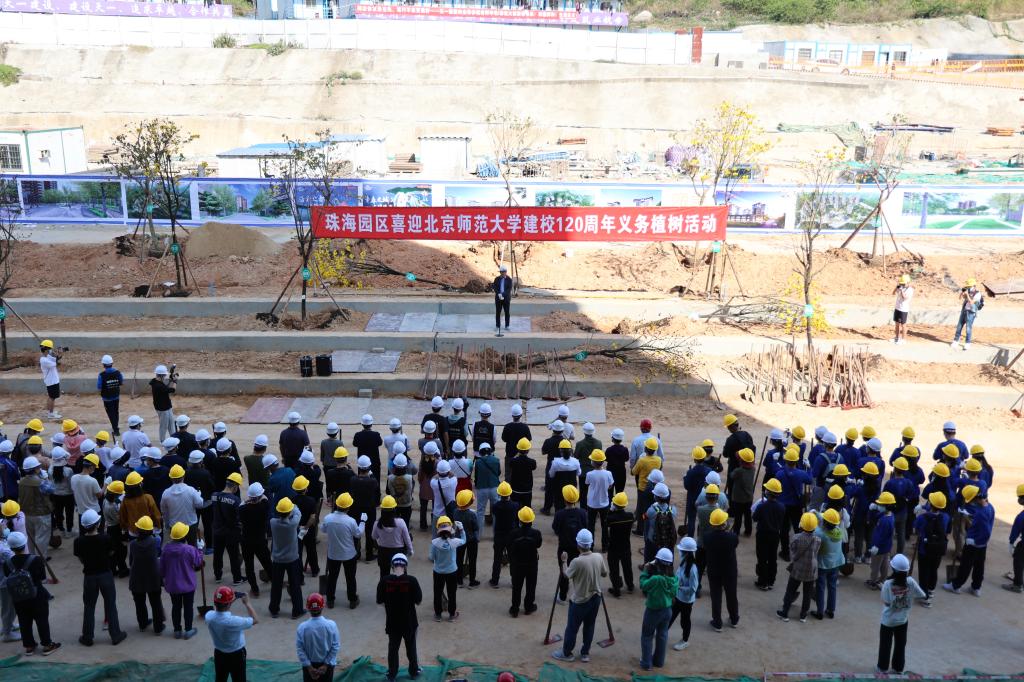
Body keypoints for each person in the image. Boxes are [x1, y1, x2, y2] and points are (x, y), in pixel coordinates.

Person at [73, 508, 128, 647]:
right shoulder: (106, 538)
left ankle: (87, 637)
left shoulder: (79, 541)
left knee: (89, 606)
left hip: (89, 576)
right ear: (97, 524)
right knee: (110, 604)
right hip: (105, 574)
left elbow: (81, 558)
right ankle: (115, 634)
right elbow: (111, 553)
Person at [551, 529, 607, 663]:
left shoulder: (577, 561)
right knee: (589, 626)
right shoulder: (598, 557)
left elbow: (566, 575)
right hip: (596, 598)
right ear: (591, 543)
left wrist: (564, 561)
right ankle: (585, 653)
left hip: (580, 601)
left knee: (572, 628)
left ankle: (566, 653)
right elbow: (604, 574)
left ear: (578, 545)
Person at [2, 531, 60, 655]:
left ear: (11, 547)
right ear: (25, 544)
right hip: (37, 595)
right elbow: (42, 577)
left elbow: (8, 576)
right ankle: (47, 645)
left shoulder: (7, 563)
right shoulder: (36, 560)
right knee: (41, 620)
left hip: (19, 597)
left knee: (24, 621)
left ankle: (29, 646)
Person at [877, 553, 926, 674]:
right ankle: (898, 668)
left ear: (893, 568)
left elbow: (886, 602)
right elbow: (922, 595)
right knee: (900, 645)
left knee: (885, 645)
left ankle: (882, 668)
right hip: (903, 620)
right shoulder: (911, 582)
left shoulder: (887, 584)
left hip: (888, 621)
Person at [377, 552, 421, 682]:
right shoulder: (412, 580)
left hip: (392, 622)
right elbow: (418, 601)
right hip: (409, 622)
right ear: (405, 566)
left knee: (393, 649)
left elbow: (379, 601)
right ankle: (414, 671)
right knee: (411, 647)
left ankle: (392, 674)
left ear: (392, 566)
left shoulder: (384, 581)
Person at [944, 484, 994, 596]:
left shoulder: (981, 513)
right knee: (979, 566)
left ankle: (956, 585)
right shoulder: (989, 507)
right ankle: (976, 587)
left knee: (965, 565)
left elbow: (986, 531)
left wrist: (975, 541)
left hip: (974, 543)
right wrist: (969, 514)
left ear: (976, 499)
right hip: (982, 545)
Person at [159, 522, 204, 638]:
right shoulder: (190, 549)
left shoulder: (166, 549)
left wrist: (163, 579)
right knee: (188, 606)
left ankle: (177, 630)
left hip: (173, 585)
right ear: (185, 536)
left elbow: (162, 568)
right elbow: (198, 562)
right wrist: (200, 549)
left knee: (176, 606)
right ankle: (188, 630)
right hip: (188, 584)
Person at [776, 513, 821, 623]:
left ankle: (785, 613)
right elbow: (816, 553)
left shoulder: (796, 538)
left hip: (797, 569)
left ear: (801, 525)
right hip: (811, 570)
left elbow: (792, 553)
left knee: (790, 591)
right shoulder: (818, 540)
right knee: (807, 594)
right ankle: (803, 615)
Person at [205, 586, 257, 682]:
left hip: (219, 654)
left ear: (215, 602)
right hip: (236, 655)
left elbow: (220, 608)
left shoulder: (209, 616)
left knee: (220, 679)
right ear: (228, 604)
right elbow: (255, 619)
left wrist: (230, 600)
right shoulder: (233, 621)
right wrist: (247, 603)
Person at [639, 547, 678, 671]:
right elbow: (674, 593)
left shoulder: (656, 579)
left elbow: (643, 585)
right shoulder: (674, 579)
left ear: (658, 562)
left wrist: (645, 571)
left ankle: (646, 663)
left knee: (647, 636)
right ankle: (659, 661)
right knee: (662, 635)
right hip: (667, 610)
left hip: (653, 611)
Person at [703, 508, 739, 632]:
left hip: (714, 570)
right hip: (730, 570)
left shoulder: (707, 537)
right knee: (731, 594)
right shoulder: (732, 537)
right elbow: (734, 544)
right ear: (724, 523)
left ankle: (717, 622)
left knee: (716, 595)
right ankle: (734, 619)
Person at [128, 515, 165, 634]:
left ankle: (142, 624)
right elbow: (159, 554)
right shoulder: (156, 541)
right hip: (153, 577)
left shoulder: (133, 544)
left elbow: (131, 562)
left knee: (139, 603)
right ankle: (158, 627)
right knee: (156, 602)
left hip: (136, 577)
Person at [270, 497, 304, 619]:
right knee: (295, 585)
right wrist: (293, 505)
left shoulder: (273, 522)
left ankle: (274, 609)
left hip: (277, 559)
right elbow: (298, 513)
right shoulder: (293, 524)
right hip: (292, 559)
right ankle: (297, 610)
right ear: (289, 512)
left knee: (276, 585)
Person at [553, 485, 588, 603]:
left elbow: (555, 529)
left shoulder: (559, 514)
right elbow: (586, 527)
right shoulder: (583, 513)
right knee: (579, 571)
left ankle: (562, 596)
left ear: (564, 499)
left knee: (564, 571)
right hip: (579, 548)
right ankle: (580, 595)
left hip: (564, 548)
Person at [914, 491, 949, 603]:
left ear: (931, 504)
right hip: (938, 549)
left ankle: (924, 596)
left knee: (924, 572)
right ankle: (931, 590)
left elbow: (916, 528)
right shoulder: (945, 517)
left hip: (924, 549)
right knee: (934, 570)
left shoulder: (923, 517)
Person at [295, 593, 340, 682]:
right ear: (322, 607)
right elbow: (335, 647)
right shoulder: (331, 625)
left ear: (308, 608)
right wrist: (325, 665)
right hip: (327, 666)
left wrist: (309, 667)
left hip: (309, 665)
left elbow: (300, 649)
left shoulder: (302, 627)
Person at [17, 456, 53, 563]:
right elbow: (51, 489)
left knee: (31, 538)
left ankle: (32, 558)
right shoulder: (40, 482)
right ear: (36, 469)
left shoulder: (22, 481)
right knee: (41, 538)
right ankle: (40, 560)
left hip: (26, 513)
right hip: (41, 514)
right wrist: (46, 478)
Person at [212, 472, 245, 586]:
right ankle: (237, 578)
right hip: (231, 532)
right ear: (235, 486)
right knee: (234, 556)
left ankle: (218, 576)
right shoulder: (235, 500)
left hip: (217, 530)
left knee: (217, 554)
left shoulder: (214, 496)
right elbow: (239, 516)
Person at [507, 506, 541, 617]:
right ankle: (528, 607)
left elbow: (509, 546)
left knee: (516, 587)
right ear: (532, 520)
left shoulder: (513, 533)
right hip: (532, 564)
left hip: (517, 564)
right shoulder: (536, 533)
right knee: (531, 586)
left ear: (520, 520)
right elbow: (538, 545)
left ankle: (515, 609)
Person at [429, 515, 464, 622]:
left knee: (437, 592)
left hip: (438, 571)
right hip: (452, 571)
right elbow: (464, 540)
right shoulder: (455, 542)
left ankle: (438, 615)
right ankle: (452, 615)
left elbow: (431, 557)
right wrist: (461, 529)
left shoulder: (434, 543)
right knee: (452, 593)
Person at [239, 483, 271, 598]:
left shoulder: (242, 509)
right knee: (267, 562)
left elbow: (242, 504)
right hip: (260, 540)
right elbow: (265, 498)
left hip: (246, 541)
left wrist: (248, 501)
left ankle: (254, 589)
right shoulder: (264, 506)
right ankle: (275, 581)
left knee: (249, 566)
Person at [372, 495, 413, 583]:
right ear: (394, 509)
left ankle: (383, 591)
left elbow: (374, 536)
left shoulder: (377, 523)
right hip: (398, 552)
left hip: (383, 552)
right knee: (401, 576)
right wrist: (410, 550)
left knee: (384, 576)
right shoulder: (400, 522)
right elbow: (407, 538)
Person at [669, 537, 698, 651]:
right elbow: (677, 576)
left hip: (686, 601)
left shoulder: (692, 569)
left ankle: (685, 640)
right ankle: (662, 632)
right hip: (678, 597)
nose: (679, 552)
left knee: (685, 621)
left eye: (681, 550)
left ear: (686, 553)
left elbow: (693, 588)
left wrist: (679, 587)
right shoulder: (683, 563)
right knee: (670, 616)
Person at [161, 464, 203, 543]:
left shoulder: (166, 493)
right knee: (192, 546)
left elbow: (164, 511)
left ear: (171, 478)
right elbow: (200, 504)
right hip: (190, 523)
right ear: (183, 476)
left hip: (174, 525)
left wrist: (167, 524)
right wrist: (198, 495)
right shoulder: (191, 490)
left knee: (178, 547)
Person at [814, 508, 844, 618]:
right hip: (836, 564)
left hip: (823, 565)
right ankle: (831, 610)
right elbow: (828, 522)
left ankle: (820, 612)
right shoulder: (839, 531)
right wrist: (818, 514)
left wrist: (814, 515)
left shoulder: (820, 534)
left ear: (825, 523)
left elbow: (816, 528)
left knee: (820, 587)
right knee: (832, 586)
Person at [350, 457, 380, 562]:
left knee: (356, 531)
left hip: (356, 509)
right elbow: (377, 491)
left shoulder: (353, 480)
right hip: (369, 509)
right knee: (369, 532)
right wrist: (371, 474)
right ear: (369, 467)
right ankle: (369, 554)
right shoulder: (373, 481)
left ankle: (356, 553)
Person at [489, 482, 518, 588]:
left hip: (499, 535)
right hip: (511, 535)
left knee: (497, 559)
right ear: (509, 493)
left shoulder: (496, 506)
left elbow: (494, 513)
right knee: (513, 559)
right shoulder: (515, 505)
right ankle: (514, 581)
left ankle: (495, 581)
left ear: (499, 494)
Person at [606, 492, 634, 597]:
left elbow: (606, 522)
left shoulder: (612, 518)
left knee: (614, 569)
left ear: (614, 504)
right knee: (627, 567)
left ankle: (616, 589)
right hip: (626, 546)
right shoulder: (630, 516)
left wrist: (610, 511)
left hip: (613, 547)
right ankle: (630, 586)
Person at [585, 449, 614, 550]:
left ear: (593, 462)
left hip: (592, 503)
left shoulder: (589, 474)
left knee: (591, 525)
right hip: (604, 503)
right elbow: (610, 486)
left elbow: (587, 483)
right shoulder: (608, 473)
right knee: (604, 525)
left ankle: (590, 546)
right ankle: (605, 546)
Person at [868, 492, 897, 589]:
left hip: (879, 548)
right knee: (884, 565)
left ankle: (873, 582)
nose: (879, 506)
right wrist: (875, 509)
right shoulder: (890, 515)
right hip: (886, 547)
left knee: (875, 566)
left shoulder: (884, 520)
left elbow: (881, 536)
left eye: (880, 504)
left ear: (887, 506)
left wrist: (876, 546)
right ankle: (882, 580)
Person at [451, 490, 479, 588]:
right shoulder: (472, 514)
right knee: (472, 560)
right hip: (471, 539)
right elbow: (476, 527)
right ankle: (472, 581)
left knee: (459, 559)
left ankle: (459, 580)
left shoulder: (455, 512)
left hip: (459, 539)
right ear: (470, 502)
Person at [102, 480, 129, 576]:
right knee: (121, 551)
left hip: (110, 527)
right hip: (115, 529)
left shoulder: (106, 500)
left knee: (113, 550)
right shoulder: (111, 507)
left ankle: (113, 569)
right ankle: (122, 570)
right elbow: (119, 520)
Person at [727, 448, 755, 537]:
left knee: (738, 516)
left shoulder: (738, 471)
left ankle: (736, 531)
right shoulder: (753, 469)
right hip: (749, 496)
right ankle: (748, 531)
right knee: (747, 515)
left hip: (738, 498)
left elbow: (731, 476)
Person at [473, 442, 501, 530]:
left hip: (482, 488)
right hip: (494, 487)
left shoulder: (478, 462)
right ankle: (496, 534)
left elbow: (476, 476)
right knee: (496, 512)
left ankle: (478, 534)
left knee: (480, 512)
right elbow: (498, 473)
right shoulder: (496, 460)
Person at [71, 454, 103, 529]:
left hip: (81, 512)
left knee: (83, 532)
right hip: (94, 512)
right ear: (91, 467)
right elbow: (99, 495)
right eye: (94, 467)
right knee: (95, 532)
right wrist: (105, 485)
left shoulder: (73, 478)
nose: (94, 470)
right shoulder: (92, 481)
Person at [721, 414, 756, 483]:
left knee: (733, 486)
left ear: (730, 427)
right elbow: (752, 449)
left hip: (734, 467)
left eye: (728, 427)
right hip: (748, 468)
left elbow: (725, 454)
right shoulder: (747, 435)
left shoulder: (730, 439)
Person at [951, 278, 983, 350]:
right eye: (967, 286)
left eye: (969, 286)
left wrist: (967, 295)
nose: (968, 288)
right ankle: (955, 341)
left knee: (968, 328)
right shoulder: (968, 291)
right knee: (959, 326)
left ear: (974, 286)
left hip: (971, 312)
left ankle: (967, 343)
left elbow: (971, 302)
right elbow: (960, 298)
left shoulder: (978, 294)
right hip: (964, 311)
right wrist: (962, 293)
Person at [49, 448, 75, 537]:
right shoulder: (68, 471)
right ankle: (69, 530)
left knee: (58, 513)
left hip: (56, 495)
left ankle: (61, 529)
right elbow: (71, 484)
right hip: (68, 495)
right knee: (69, 513)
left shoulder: (50, 469)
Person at [500, 404, 531, 474]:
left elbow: (504, 439)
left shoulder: (507, 426)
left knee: (508, 474)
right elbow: (528, 439)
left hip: (509, 454)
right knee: (521, 474)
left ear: (512, 415)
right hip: (522, 455)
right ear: (521, 415)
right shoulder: (525, 427)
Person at [387, 454, 416, 528]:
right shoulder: (409, 478)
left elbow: (390, 491)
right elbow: (410, 490)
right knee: (405, 523)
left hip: (395, 504)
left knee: (394, 523)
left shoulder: (390, 478)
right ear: (405, 466)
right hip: (406, 504)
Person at [507, 438, 536, 510]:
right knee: (527, 509)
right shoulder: (532, 462)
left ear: (518, 449)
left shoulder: (514, 461)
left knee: (514, 510)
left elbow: (510, 463)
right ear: (528, 450)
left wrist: (517, 455)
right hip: (527, 490)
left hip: (515, 490)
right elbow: (534, 467)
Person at [352, 415, 383, 483]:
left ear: (362, 424)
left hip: (362, 462)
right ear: (371, 424)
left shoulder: (358, 435)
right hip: (374, 462)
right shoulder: (376, 435)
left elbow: (354, 444)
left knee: (362, 481)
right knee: (376, 480)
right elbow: (380, 443)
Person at [150, 365, 177, 442]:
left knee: (171, 423)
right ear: (161, 375)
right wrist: (175, 381)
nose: (165, 376)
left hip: (167, 406)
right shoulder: (158, 385)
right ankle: (162, 441)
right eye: (164, 375)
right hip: (162, 408)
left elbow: (166, 389)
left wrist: (171, 381)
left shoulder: (156, 382)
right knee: (164, 425)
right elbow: (172, 390)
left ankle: (174, 439)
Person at [38, 339, 63, 420]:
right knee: (52, 397)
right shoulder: (44, 360)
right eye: (50, 349)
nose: (51, 350)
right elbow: (56, 363)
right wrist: (56, 355)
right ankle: (51, 414)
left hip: (52, 380)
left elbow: (57, 358)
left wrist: (59, 354)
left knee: (51, 397)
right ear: (46, 350)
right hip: (52, 381)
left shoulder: (47, 357)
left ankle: (50, 411)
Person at [891, 275, 913, 344]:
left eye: (903, 284)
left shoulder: (910, 290)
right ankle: (896, 338)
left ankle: (903, 340)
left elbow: (905, 298)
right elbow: (893, 293)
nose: (902, 285)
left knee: (903, 325)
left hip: (903, 309)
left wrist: (901, 290)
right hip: (897, 308)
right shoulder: (901, 287)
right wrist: (896, 287)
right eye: (901, 283)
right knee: (897, 324)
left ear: (908, 283)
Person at [493, 263, 513, 331]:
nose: (503, 273)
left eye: (504, 272)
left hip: (506, 298)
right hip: (498, 298)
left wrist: (503, 295)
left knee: (507, 312)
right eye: (501, 272)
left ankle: (507, 325)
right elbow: (495, 287)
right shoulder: (497, 279)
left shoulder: (509, 279)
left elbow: (509, 289)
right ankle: (497, 325)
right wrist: (498, 293)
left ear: (506, 272)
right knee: (498, 312)